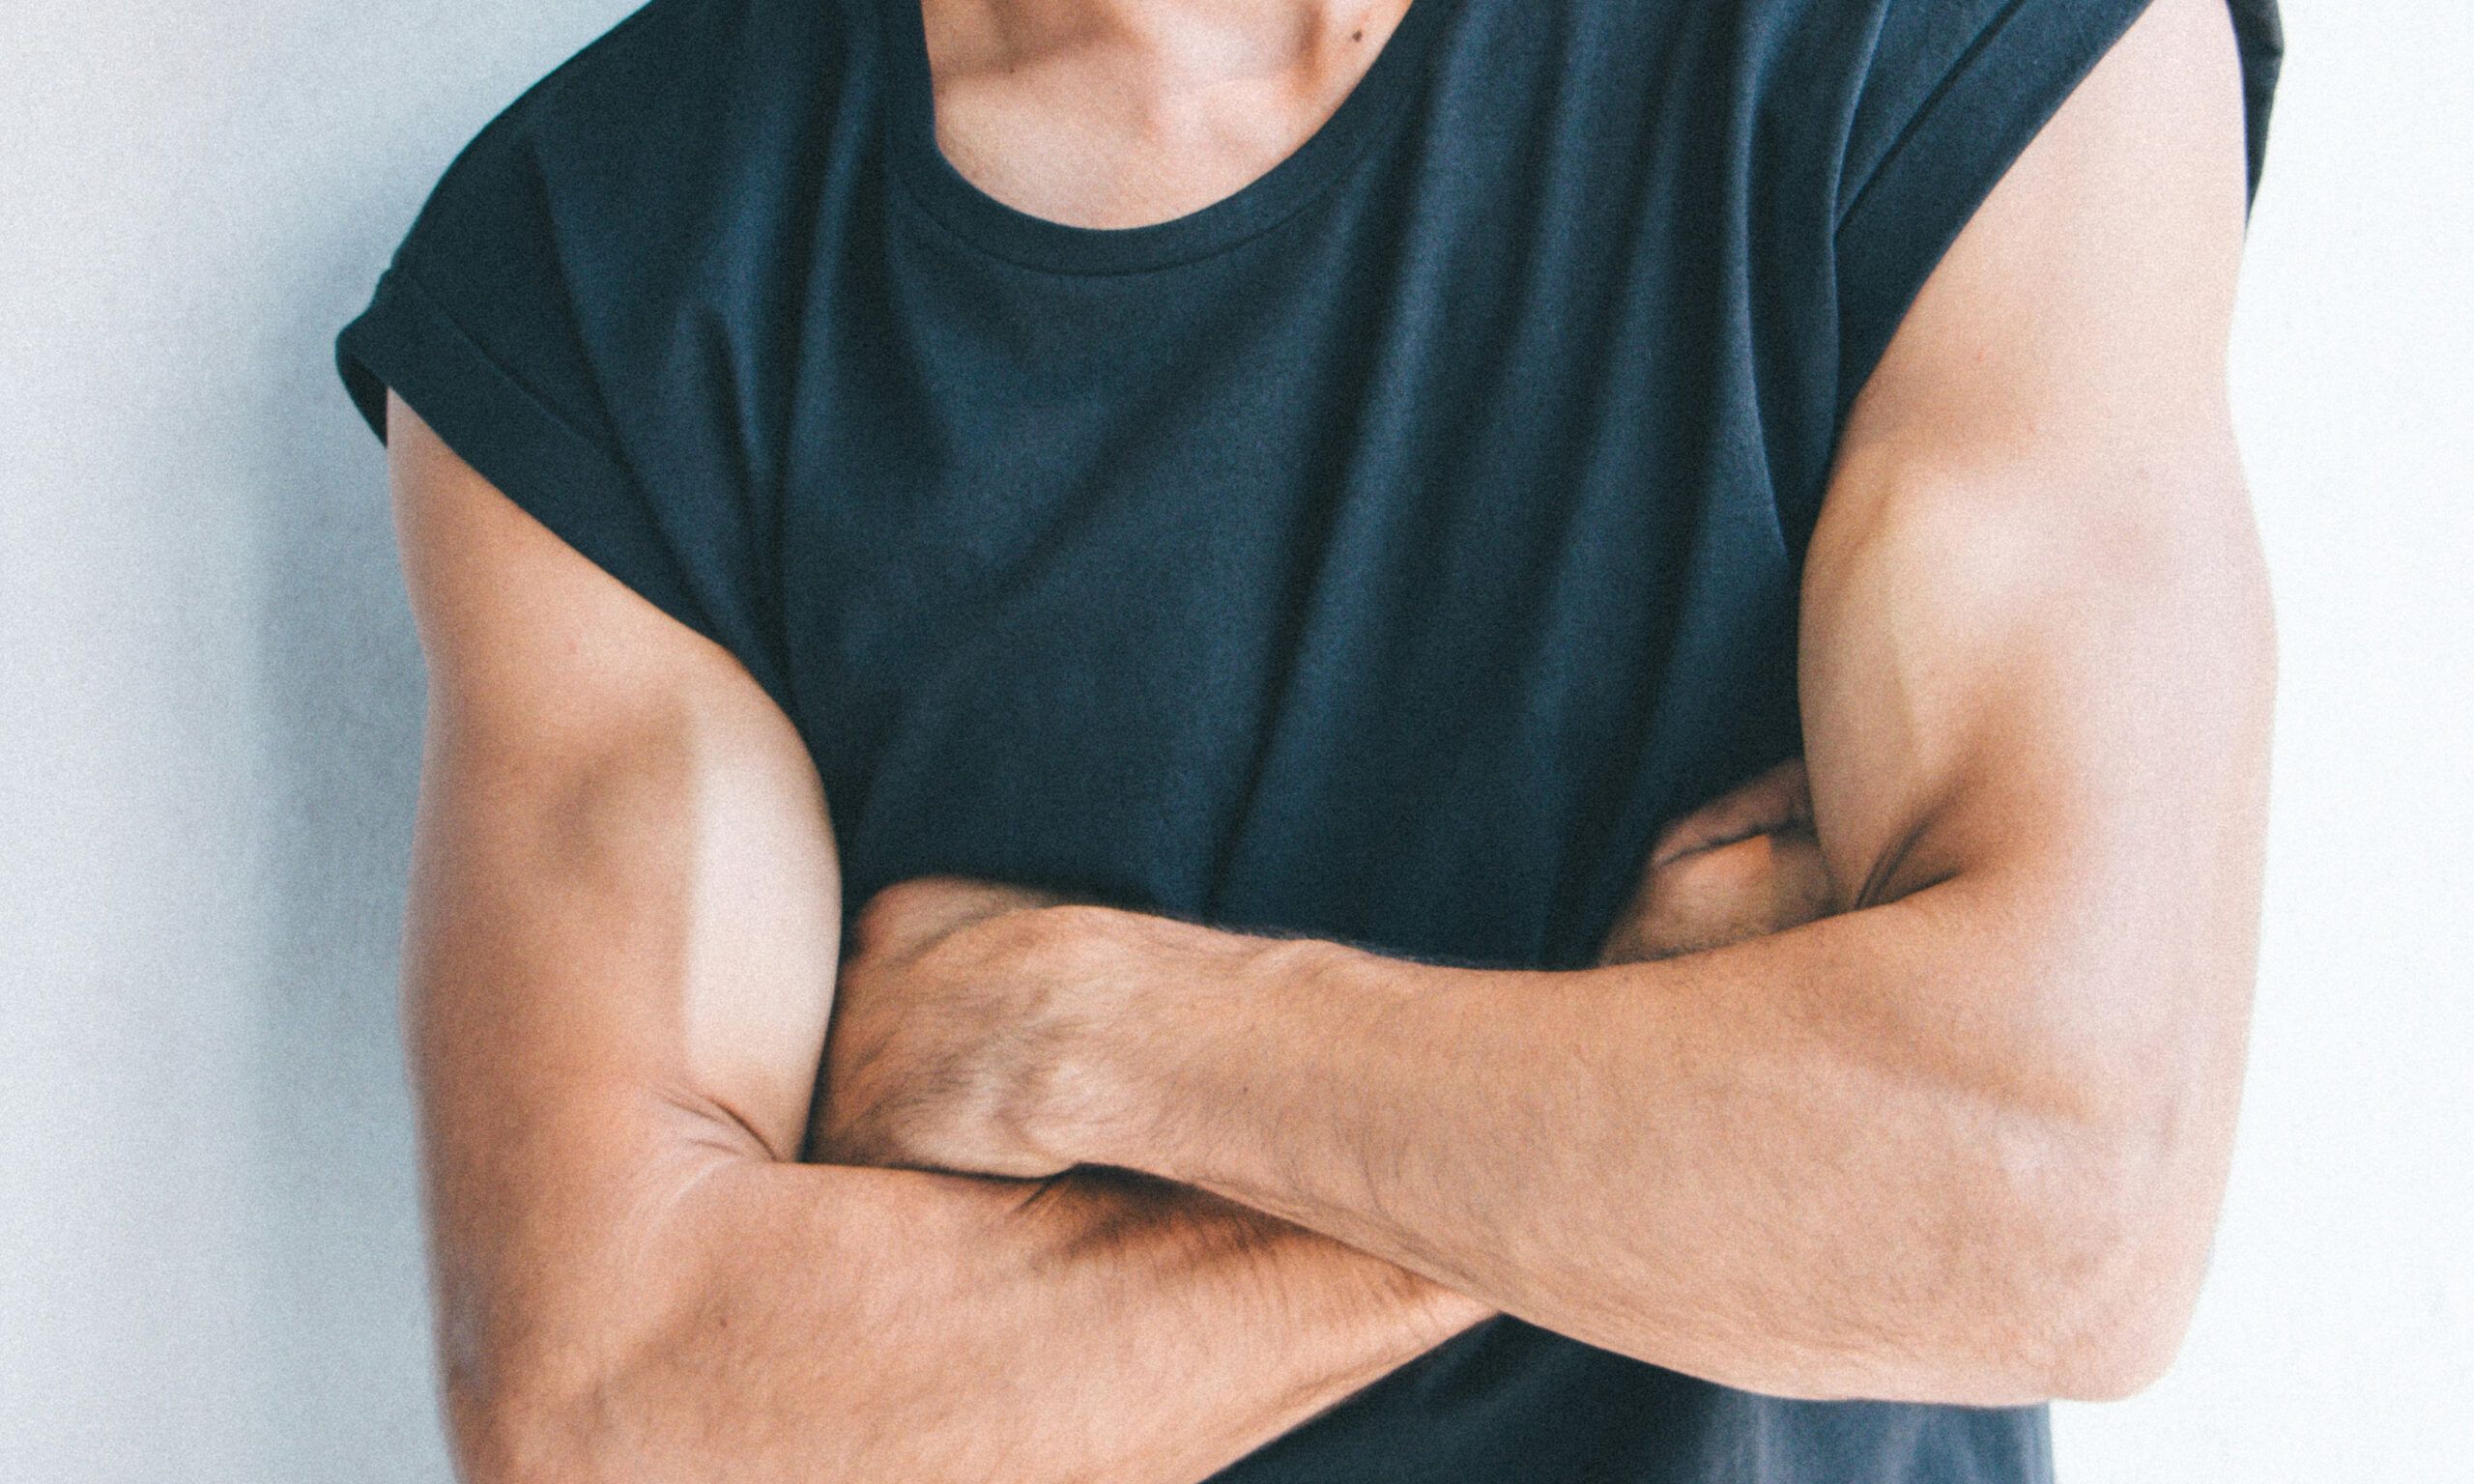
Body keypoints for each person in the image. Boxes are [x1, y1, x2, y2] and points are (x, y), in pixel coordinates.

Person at [333, 0, 2285, 1477]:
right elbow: (624, 1414)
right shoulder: (606, 261)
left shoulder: (1941, 39)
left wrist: (1092, 1040)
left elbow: (2052, 1198)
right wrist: (1640, 1085)